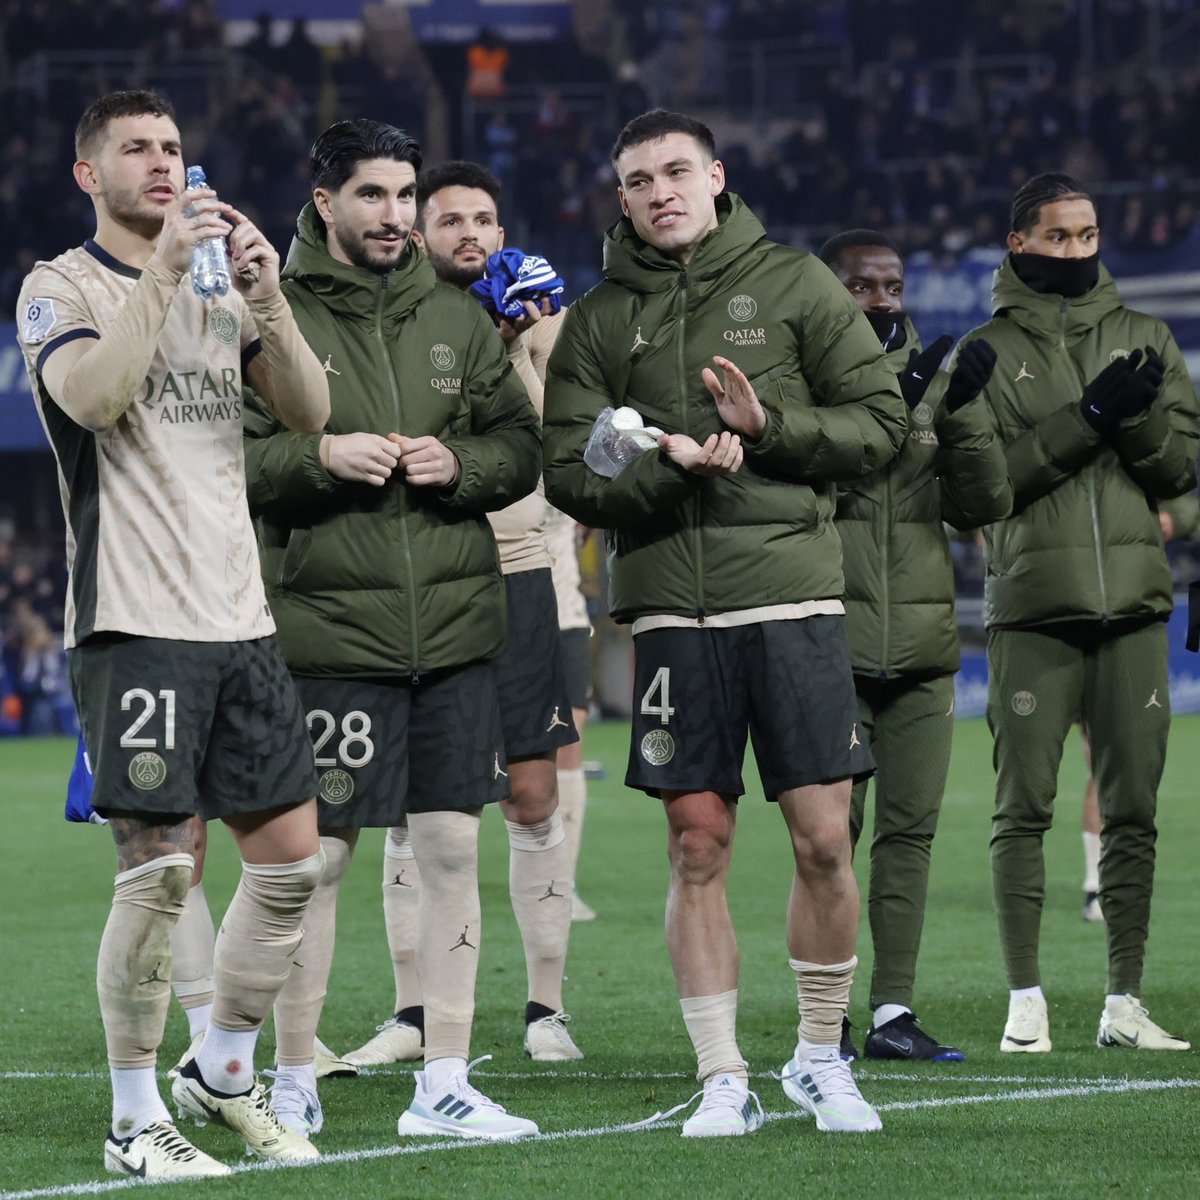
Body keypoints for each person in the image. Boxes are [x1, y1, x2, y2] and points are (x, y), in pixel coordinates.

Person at [542, 109, 907, 1136]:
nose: (659, 191)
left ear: (716, 176)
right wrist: (657, 467)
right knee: (697, 843)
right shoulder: (603, 319)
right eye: (637, 180)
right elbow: (567, 469)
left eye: (675, 172)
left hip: (791, 598)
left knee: (826, 840)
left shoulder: (798, 285)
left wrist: (768, 427)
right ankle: (721, 1076)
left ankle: (819, 1057)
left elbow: (880, 427)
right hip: (672, 612)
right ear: (619, 199)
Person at [15, 88, 331, 1179]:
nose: (164, 163)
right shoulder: (59, 287)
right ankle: (132, 1118)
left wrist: (268, 298)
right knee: (158, 874)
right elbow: (97, 399)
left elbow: (308, 411)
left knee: (292, 863)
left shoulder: (214, 287)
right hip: (134, 619)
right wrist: (164, 275)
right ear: (86, 174)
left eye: (174, 146)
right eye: (137, 150)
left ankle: (224, 1072)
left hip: (240, 618)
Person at [241, 119, 543, 1140]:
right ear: (324, 202)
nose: (396, 214)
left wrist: (465, 469)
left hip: (456, 630)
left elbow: (519, 446)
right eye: (373, 194)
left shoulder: (455, 315)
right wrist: (319, 459)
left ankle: (444, 1082)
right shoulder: (264, 314)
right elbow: (232, 462)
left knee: (454, 849)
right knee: (313, 864)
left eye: (405, 193)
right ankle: (290, 1079)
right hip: (329, 635)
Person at [344, 159, 582, 1072]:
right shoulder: (391, 318)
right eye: (449, 220)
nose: (468, 233)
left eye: (484, 218)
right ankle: (413, 1012)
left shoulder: (534, 315)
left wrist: (537, 336)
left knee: (532, 793)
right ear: (416, 231)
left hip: (520, 572)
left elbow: (571, 441)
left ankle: (545, 1007)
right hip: (425, 575)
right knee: (414, 809)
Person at [966, 172, 1198, 1054]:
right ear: (1020, 242)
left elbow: (1178, 471)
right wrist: (1090, 415)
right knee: (1021, 810)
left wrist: (1133, 422)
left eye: (1088, 234)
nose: (1077, 250)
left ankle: (1124, 1002)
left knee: (1134, 810)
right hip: (1032, 611)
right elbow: (986, 483)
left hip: (1136, 610)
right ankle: (1026, 999)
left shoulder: (1145, 337)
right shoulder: (985, 350)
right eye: (1058, 237)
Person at [819, 229, 1011, 1062]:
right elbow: (814, 488)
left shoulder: (939, 387)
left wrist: (961, 410)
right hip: (832, 643)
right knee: (829, 838)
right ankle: (824, 1013)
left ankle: (893, 1013)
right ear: (830, 295)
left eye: (892, 285)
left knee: (909, 836)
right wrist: (893, 404)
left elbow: (982, 506)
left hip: (927, 649)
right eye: (863, 287)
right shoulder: (803, 382)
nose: (883, 299)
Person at [1077, 494, 1198, 922]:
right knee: (1100, 766)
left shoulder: (1143, 458)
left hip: (1137, 625)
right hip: (1078, 624)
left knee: (1131, 766)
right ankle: (1096, 883)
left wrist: (1173, 518)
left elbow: (1187, 502)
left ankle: (1115, 879)